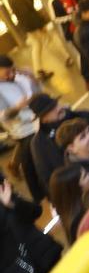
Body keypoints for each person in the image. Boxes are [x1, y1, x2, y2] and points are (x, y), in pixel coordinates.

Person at [28, 94, 89, 198]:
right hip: (85, 194)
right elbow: (48, 181)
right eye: (51, 109)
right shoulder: (39, 144)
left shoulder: (85, 116)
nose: (58, 108)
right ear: (43, 119)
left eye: (55, 104)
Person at [0, 57, 42, 199]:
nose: (11, 74)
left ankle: (14, 166)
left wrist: (32, 77)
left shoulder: (18, 76)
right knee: (29, 157)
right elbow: (3, 116)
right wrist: (17, 107)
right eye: (7, 72)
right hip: (22, 128)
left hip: (36, 117)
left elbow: (38, 92)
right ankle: (38, 193)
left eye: (13, 70)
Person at [2, 0, 55, 80]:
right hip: (32, 27)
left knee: (38, 45)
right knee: (47, 42)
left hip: (30, 27)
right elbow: (28, 15)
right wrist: (39, 26)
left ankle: (38, 71)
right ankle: (65, 58)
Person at [50, 0, 89, 85]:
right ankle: (87, 79)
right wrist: (71, 17)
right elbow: (55, 18)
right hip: (73, 30)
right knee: (83, 53)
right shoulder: (54, 1)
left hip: (87, 24)